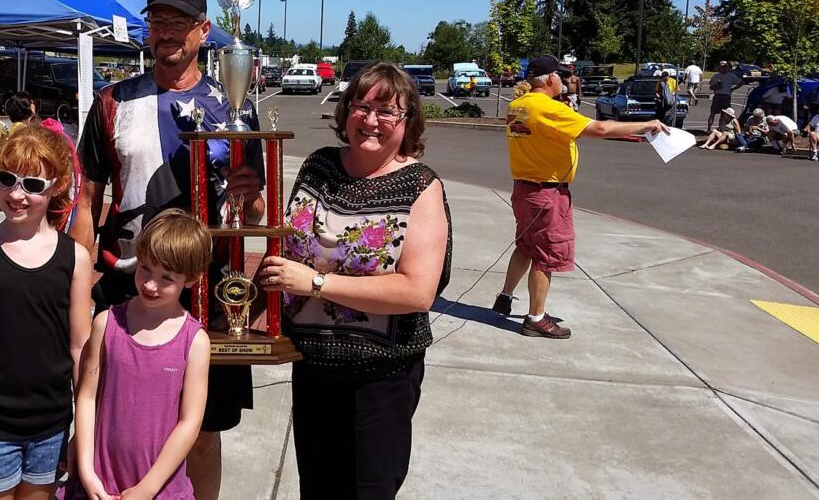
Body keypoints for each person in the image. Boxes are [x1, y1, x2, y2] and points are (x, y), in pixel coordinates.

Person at [72, 0, 265, 500]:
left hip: (213, 294)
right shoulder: (112, 103)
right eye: (158, 19)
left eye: (180, 21)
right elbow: (87, 201)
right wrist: (76, 278)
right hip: (129, 287)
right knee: (117, 421)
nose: (167, 32)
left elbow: (255, 214)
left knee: (203, 434)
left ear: (204, 30)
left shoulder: (236, 107)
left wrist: (250, 194)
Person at [257, 63, 449, 500]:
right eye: (362, 107)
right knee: (318, 490)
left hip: (380, 378)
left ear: (409, 121)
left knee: (367, 491)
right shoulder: (319, 165)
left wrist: (317, 284)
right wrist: (248, 202)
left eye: (387, 111)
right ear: (345, 112)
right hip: (312, 368)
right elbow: (288, 244)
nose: (371, 120)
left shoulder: (421, 186)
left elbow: (417, 292)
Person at [0, 125, 95, 500]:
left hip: (51, 426)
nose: (16, 194)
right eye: (8, 180)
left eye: (32, 184)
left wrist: (85, 436)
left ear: (56, 186)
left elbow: (81, 349)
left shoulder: (74, 258)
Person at [492, 55, 668, 339]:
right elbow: (598, 129)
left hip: (524, 189)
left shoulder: (518, 106)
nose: (564, 81)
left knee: (525, 245)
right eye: (561, 76)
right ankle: (535, 318)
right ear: (550, 79)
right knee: (545, 256)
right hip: (547, 193)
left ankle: (506, 295)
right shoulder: (548, 108)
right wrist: (645, 125)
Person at [62, 210, 212, 500]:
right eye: (145, 269)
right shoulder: (106, 324)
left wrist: (147, 488)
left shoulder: (194, 343)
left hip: (159, 488)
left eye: (166, 277)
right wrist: (86, 471)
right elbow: (87, 396)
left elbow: (189, 422)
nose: (150, 285)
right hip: (98, 482)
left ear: (191, 280)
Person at [707, 62, 744, 132]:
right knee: (713, 113)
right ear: (720, 68)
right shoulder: (716, 76)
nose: (724, 68)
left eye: (725, 67)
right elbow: (711, 87)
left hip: (726, 96)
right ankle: (709, 128)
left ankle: (720, 128)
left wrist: (733, 89)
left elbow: (741, 82)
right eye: (722, 67)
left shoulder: (731, 76)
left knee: (724, 114)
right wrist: (715, 87)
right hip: (717, 95)